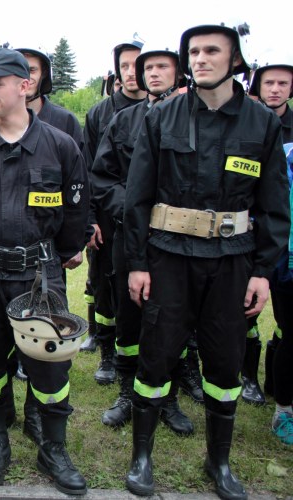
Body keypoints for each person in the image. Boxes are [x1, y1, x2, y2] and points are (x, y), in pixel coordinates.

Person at [123, 22, 289, 498]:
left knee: (224, 362)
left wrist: (262, 272)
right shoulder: (163, 117)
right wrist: (137, 262)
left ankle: (219, 462)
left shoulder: (262, 123)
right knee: (156, 356)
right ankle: (141, 457)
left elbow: (274, 205)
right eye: (193, 51)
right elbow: (138, 196)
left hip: (232, 263)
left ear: (235, 60)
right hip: (169, 259)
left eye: (212, 51)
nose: (200, 59)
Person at [0, 48, 89, 494]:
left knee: (49, 363)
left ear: (25, 86)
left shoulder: (60, 147)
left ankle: (53, 446)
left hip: (39, 274)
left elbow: (76, 216)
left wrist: (57, 254)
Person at [90, 45, 194, 435]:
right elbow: (102, 176)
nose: (152, 73)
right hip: (129, 236)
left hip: (178, 240)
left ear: (178, 73)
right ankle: (126, 393)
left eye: (162, 66)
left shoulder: (195, 120)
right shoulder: (124, 121)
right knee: (129, 317)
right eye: (147, 67)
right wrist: (133, 209)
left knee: (173, 319)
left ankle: (168, 398)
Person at [80, 35, 145, 389]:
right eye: (125, 66)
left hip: (149, 219)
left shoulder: (164, 110)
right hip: (106, 217)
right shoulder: (99, 114)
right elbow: (89, 171)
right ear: (117, 71)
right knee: (104, 285)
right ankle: (107, 353)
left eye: (138, 65)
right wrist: (90, 219)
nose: (132, 72)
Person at [247, 55, 293, 444]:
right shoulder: (246, 124)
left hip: (285, 241)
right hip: (248, 238)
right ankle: (247, 377)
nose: (275, 89)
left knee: (285, 324)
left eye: (283, 83)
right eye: (269, 83)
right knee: (244, 315)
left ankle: (280, 394)